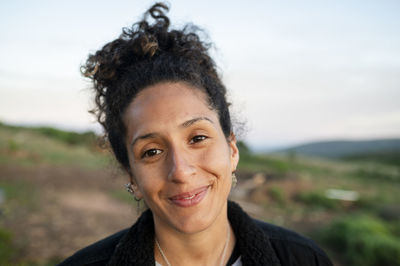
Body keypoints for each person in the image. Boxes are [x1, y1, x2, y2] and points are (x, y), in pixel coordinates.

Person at [58, 3, 333, 266]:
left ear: (232, 149)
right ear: (132, 175)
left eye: (197, 138)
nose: (180, 170)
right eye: (152, 151)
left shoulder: (304, 258)